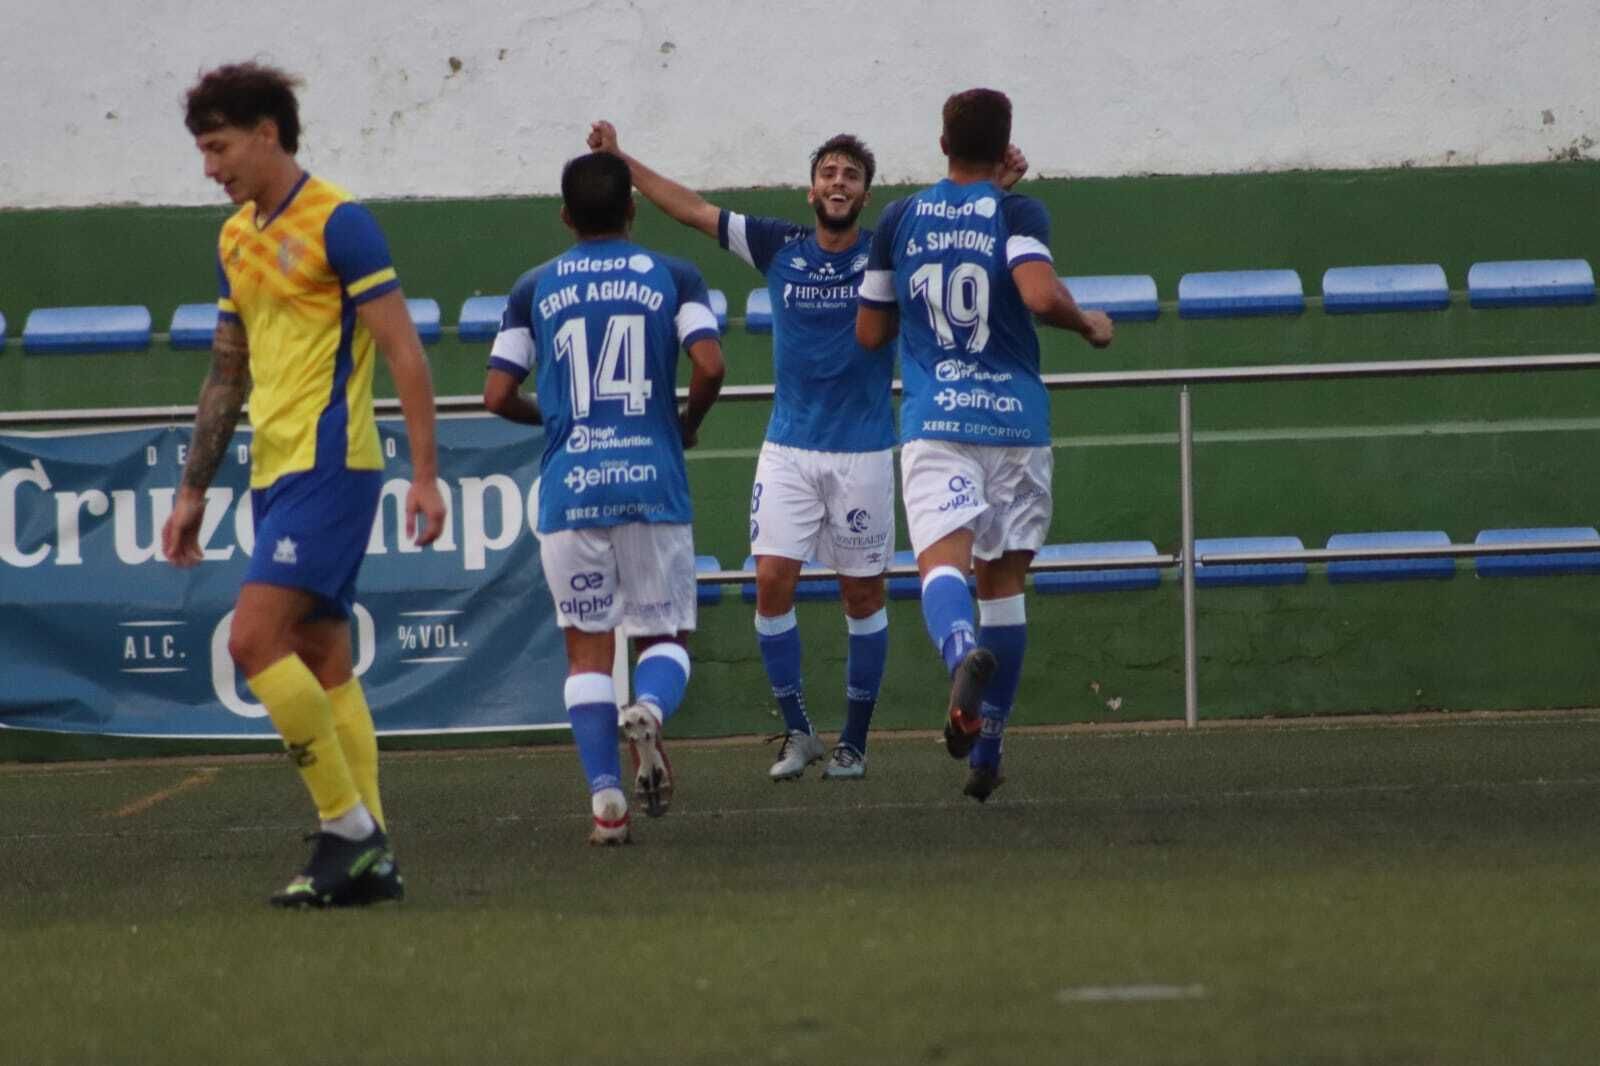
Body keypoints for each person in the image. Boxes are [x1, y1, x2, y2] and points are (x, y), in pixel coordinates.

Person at [164, 62, 447, 905]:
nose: (210, 169)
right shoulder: (233, 239)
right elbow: (227, 375)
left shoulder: (342, 223)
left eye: (218, 149)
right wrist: (191, 491)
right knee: (324, 656)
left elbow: (405, 352)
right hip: (272, 471)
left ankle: (347, 831)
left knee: (253, 642)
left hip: (335, 466)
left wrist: (425, 477)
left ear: (267, 133)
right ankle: (374, 856)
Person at [587, 123, 923, 781]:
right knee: (769, 586)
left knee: (862, 597)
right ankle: (799, 733)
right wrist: (621, 159)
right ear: (810, 190)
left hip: (863, 453)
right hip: (788, 450)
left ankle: (854, 741)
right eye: (829, 172)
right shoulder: (778, 245)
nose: (838, 183)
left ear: (865, 194)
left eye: (850, 176)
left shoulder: (887, 253)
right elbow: (692, 209)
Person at [856, 88, 1114, 802]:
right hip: (1015, 422)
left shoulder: (899, 217)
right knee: (1004, 587)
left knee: (943, 564)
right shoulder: (1017, 212)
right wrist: (1087, 321)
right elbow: (1037, 295)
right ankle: (988, 749)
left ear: (941, 144)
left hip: (939, 418)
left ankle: (959, 653)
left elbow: (871, 333)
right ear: (1006, 149)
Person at [483, 151, 725, 845]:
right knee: (665, 634)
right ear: (632, 210)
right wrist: (685, 424)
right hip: (653, 482)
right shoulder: (674, 276)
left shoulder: (535, 286)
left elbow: (496, 394)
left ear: (565, 217)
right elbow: (710, 364)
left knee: (586, 653)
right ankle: (648, 705)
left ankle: (605, 801)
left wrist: (556, 421)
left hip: (571, 490)